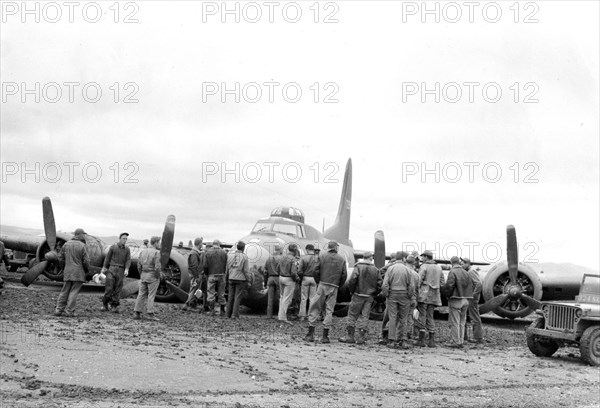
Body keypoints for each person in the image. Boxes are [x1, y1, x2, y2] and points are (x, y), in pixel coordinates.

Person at [304, 241, 347, 343]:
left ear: (328, 247)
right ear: (336, 248)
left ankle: (310, 334)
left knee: (315, 307)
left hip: (322, 284)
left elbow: (316, 270)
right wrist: (338, 285)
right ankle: (325, 336)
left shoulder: (322, 256)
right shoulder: (341, 259)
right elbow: (344, 275)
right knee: (329, 310)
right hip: (334, 286)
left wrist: (319, 281)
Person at [339, 251, 381, 344]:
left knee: (352, 315)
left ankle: (350, 337)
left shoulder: (358, 267)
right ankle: (361, 338)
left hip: (358, 295)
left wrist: (352, 291)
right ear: (371, 258)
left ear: (363, 257)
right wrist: (374, 293)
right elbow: (379, 284)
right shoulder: (375, 269)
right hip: (369, 297)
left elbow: (352, 280)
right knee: (365, 317)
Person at [381, 254, 415, 349]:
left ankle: (391, 340)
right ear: (404, 259)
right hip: (404, 295)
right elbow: (411, 286)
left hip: (392, 295)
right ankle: (403, 340)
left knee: (392, 317)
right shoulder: (408, 270)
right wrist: (409, 295)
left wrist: (387, 294)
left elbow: (385, 284)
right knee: (404, 319)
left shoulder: (390, 268)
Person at [54, 228, 90, 317]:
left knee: (64, 291)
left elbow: (61, 259)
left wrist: (64, 268)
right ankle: (70, 311)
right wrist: (86, 270)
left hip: (67, 272)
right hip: (78, 273)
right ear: (79, 235)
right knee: (73, 292)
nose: (84, 236)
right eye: (83, 234)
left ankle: (58, 310)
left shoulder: (66, 244)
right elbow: (86, 261)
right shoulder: (82, 246)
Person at [443, 256, 476, 348]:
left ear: (451, 263)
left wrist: (447, 296)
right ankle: (461, 341)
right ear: (459, 262)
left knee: (454, 322)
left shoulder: (452, 272)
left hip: (456, 299)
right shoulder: (466, 272)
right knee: (462, 322)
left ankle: (455, 342)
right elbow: (472, 285)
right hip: (466, 300)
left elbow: (450, 285)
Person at [416, 250, 445, 347]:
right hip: (434, 296)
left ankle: (421, 340)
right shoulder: (439, 268)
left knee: (422, 316)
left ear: (426, 257)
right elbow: (442, 283)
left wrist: (417, 292)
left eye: (423, 257)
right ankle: (431, 341)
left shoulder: (423, 266)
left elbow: (418, 281)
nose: (422, 258)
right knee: (430, 316)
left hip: (424, 295)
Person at [133, 236, 163, 321]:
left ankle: (137, 312)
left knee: (141, 294)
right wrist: (157, 276)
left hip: (143, 275)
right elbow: (157, 267)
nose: (160, 244)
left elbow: (139, 265)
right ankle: (150, 314)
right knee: (151, 295)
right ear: (156, 243)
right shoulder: (157, 253)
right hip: (153, 276)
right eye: (159, 242)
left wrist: (141, 274)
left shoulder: (143, 252)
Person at [101, 232, 131, 313]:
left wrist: (127, 269)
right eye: (123, 238)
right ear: (120, 239)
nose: (125, 240)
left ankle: (114, 306)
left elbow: (128, 260)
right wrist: (104, 267)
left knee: (118, 289)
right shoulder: (113, 247)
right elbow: (107, 258)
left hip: (121, 270)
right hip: (111, 269)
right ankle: (105, 304)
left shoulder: (127, 249)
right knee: (109, 287)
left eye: (126, 239)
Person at [225, 241, 251, 319]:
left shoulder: (230, 255)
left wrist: (227, 277)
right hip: (240, 279)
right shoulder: (244, 257)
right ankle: (235, 315)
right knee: (237, 297)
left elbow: (227, 268)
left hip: (231, 277)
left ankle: (227, 314)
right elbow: (246, 270)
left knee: (230, 296)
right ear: (243, 248)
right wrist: (248, 280)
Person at [461, 257, 484, 344]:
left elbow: (478, 284)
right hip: (469, 297)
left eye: (463, 263)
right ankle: (466, 336)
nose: (461, 265)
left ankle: (478, 338)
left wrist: (473, 296)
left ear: (467, 263)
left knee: (474, 317)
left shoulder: (471, 272)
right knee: (468, 317)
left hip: (471, 298)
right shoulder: (469, 271)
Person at [203, 239, 228, 316]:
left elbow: (205, 265)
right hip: (221, 275)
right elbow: (226, 265)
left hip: (211, 275)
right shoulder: (224, 252)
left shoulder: (208, 252)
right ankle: (222, 311)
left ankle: (212, 311)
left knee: (211, 293)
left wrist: (207, 274)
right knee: (221, 293)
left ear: (213, 244)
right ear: (219, 244)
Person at [278, 243, 300, 323]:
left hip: (281, 277)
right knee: (287, 299)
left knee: (281, 297)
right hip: (289, 279)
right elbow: (293, 272)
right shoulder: (293, 259)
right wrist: (297, 279)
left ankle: (280, 316)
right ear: (295, 250)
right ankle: (283, 317)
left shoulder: (282, 257)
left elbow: (278, 268)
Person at [298, 244, 320, 321]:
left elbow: (300, 271)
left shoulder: (303, 258)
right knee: (312, 299)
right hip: (314, 279)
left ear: (307, 249)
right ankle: (311, 316)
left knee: (304, 298)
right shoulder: (317, 258)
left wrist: (301, 278)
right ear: (313, 250)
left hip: (305, 278)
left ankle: (302, 316)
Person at [182, 237, 204, 312]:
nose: (202, 245)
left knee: (196, 290)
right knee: (193, 290)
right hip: (195, 275)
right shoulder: (194, 253)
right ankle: (187, 304)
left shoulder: (195, 252)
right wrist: (196, 276)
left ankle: (192, 304)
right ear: (199, 243)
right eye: (201, 243)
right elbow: (194, 266)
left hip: (194, 274)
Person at [264, 244, 283, 319]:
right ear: (280, 250)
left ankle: (269, 315)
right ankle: (280, 315)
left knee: (270, 298)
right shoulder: (281, 258)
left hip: (270, 278)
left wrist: (265, 281)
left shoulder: (268, 258)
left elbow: (265, 271)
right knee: (280, 298)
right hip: (278, 278)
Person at [405, 254, 420, 339]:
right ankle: (408, 333)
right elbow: (418, 289)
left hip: (404, 297)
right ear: (414, 263)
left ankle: (400, 335)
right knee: (410, 317)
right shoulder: (416, 275)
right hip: (413, 298)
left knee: (401, 317)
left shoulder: (404, 271)